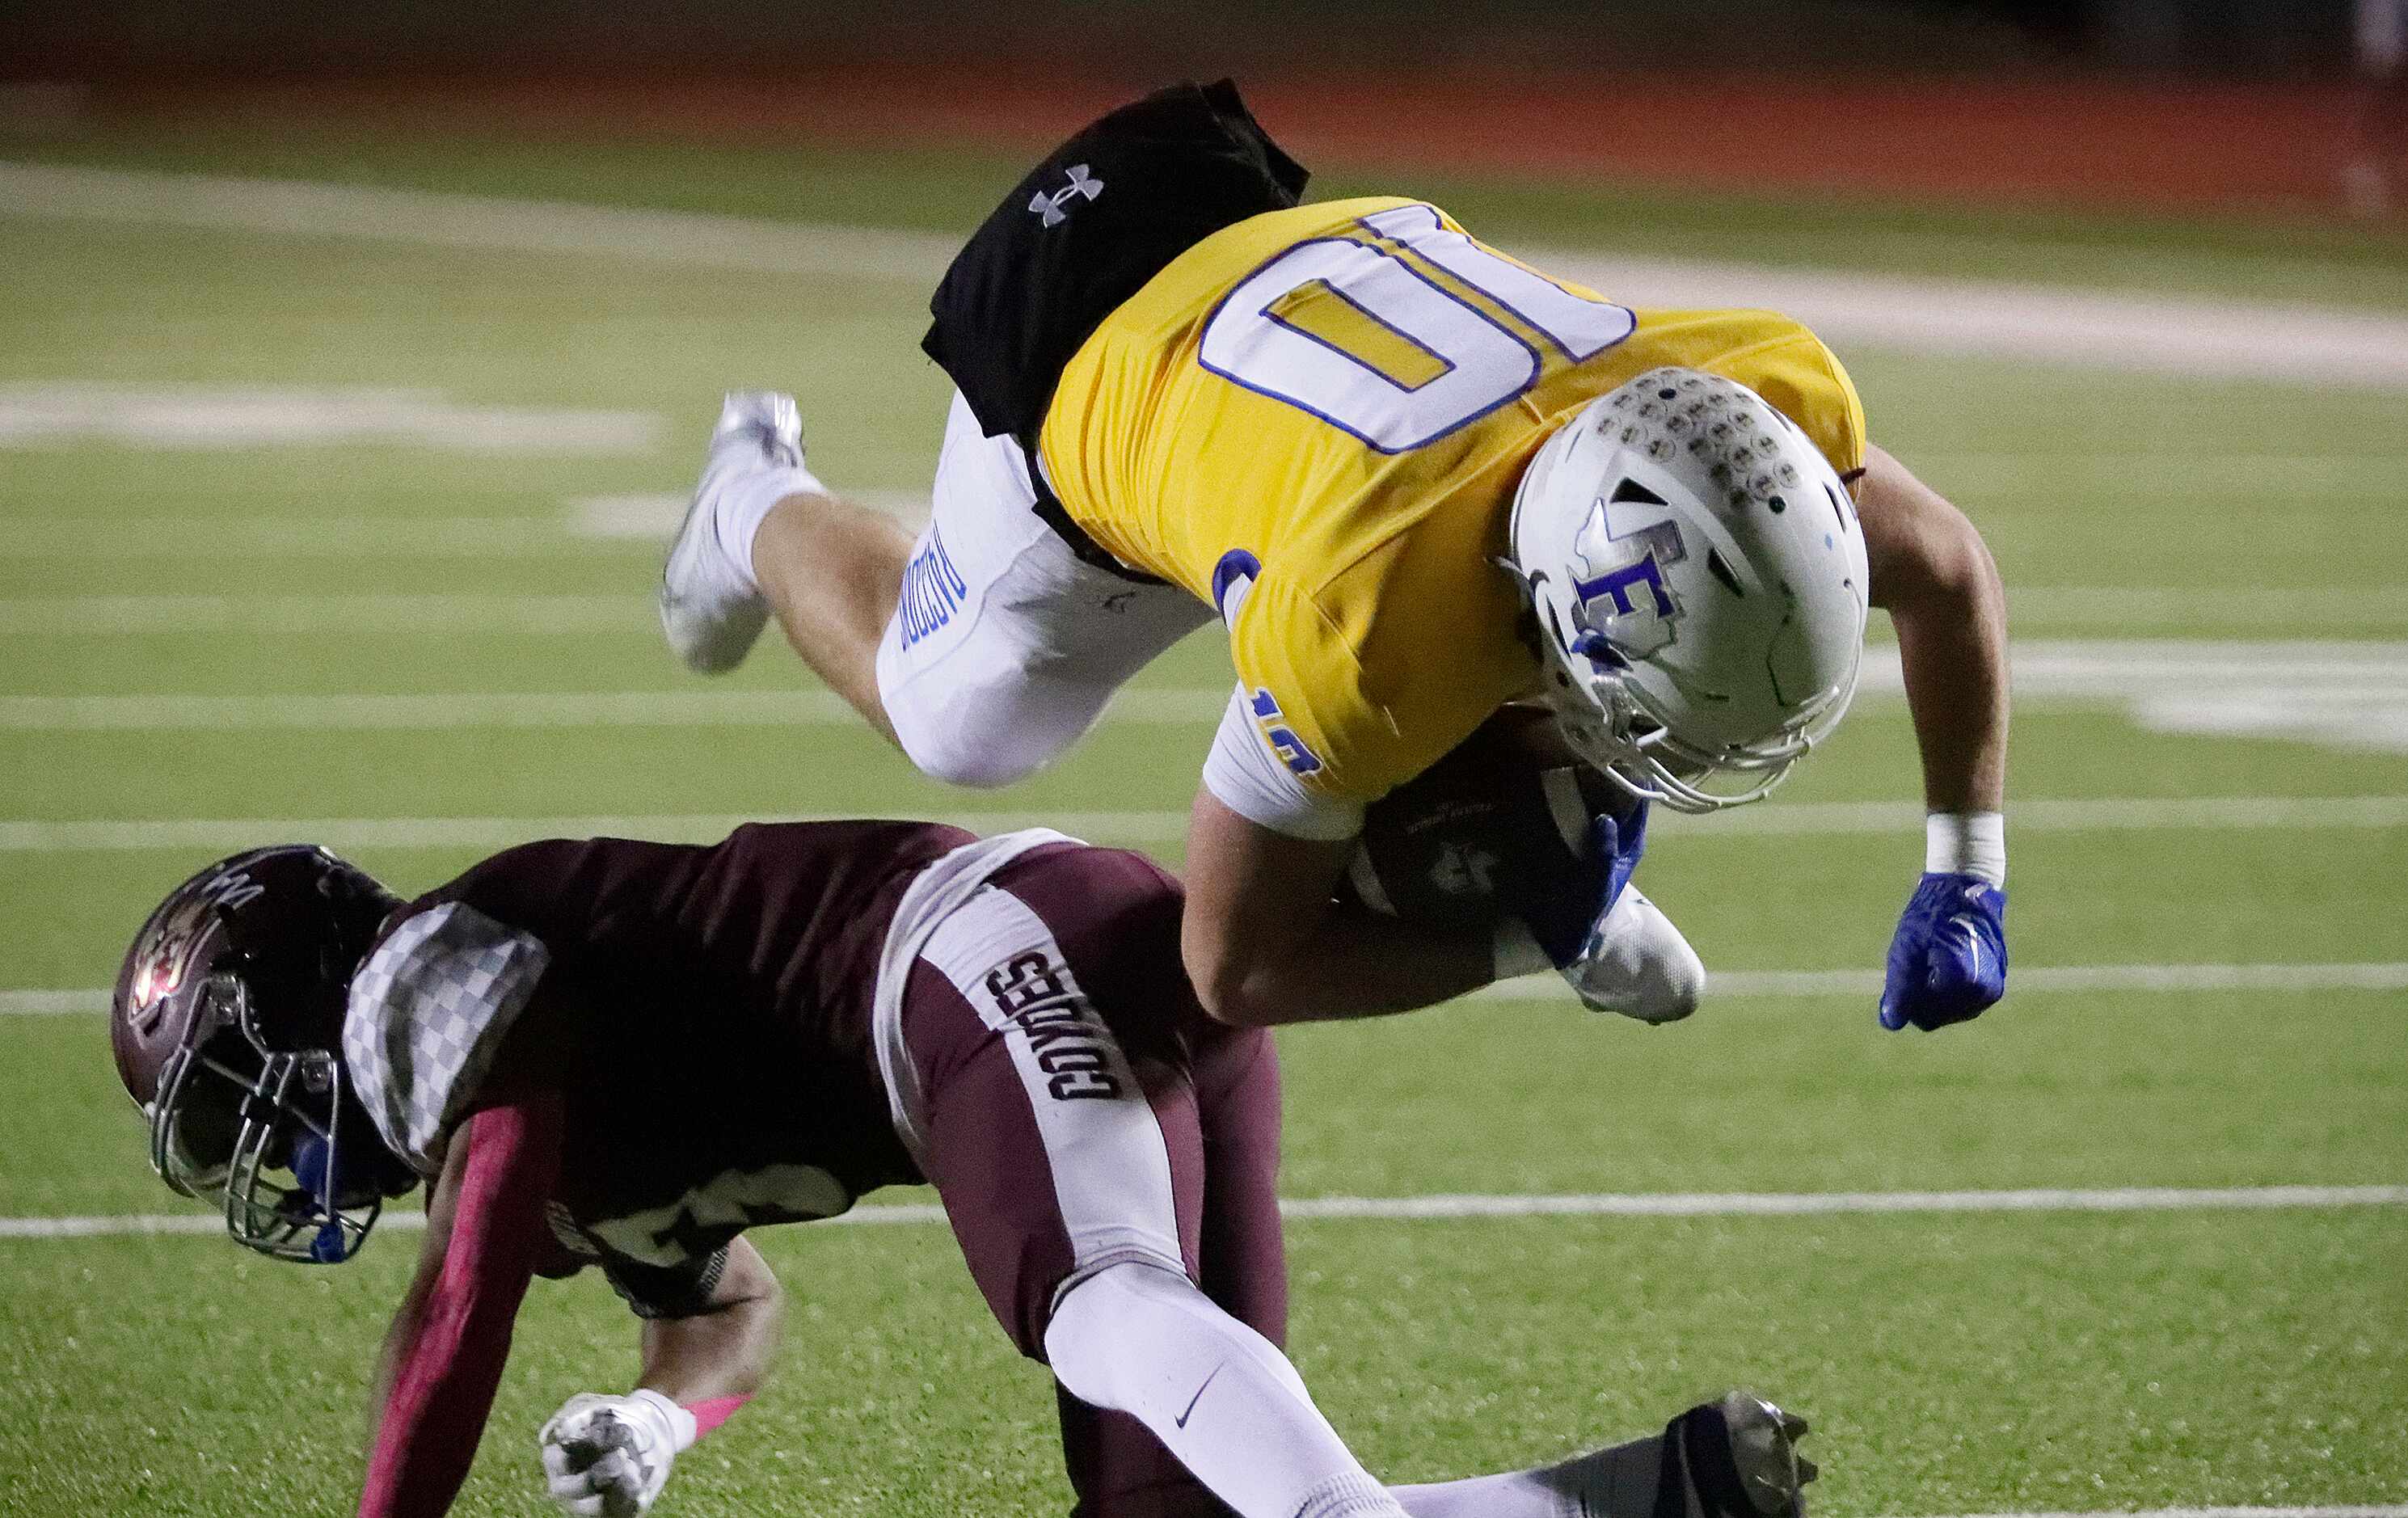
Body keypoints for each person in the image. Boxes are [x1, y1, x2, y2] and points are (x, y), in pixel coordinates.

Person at [657, 81, 2009, 1036]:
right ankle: (749, 495)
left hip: (1252, 231)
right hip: (1089, 334)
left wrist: (1967, 867)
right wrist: (1538, 935)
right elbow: (1232, 965)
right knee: (962, 718)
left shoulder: (1742, 396)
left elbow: (1942, 567)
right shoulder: (1364, 627)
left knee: (1519, 719)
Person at [112, 830, 1816, 1518]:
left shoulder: (438, 991)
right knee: (1172, 1512)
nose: (259, 1152)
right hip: (1041, 988)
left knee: (1094, 1307)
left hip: (979, 961)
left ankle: (1523, 913)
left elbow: (460, 1295)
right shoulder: (537, 1149)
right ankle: (1650, 1494)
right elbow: (717, 1304)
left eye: (234, 1102)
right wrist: (660, 1419)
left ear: (303, 1015)